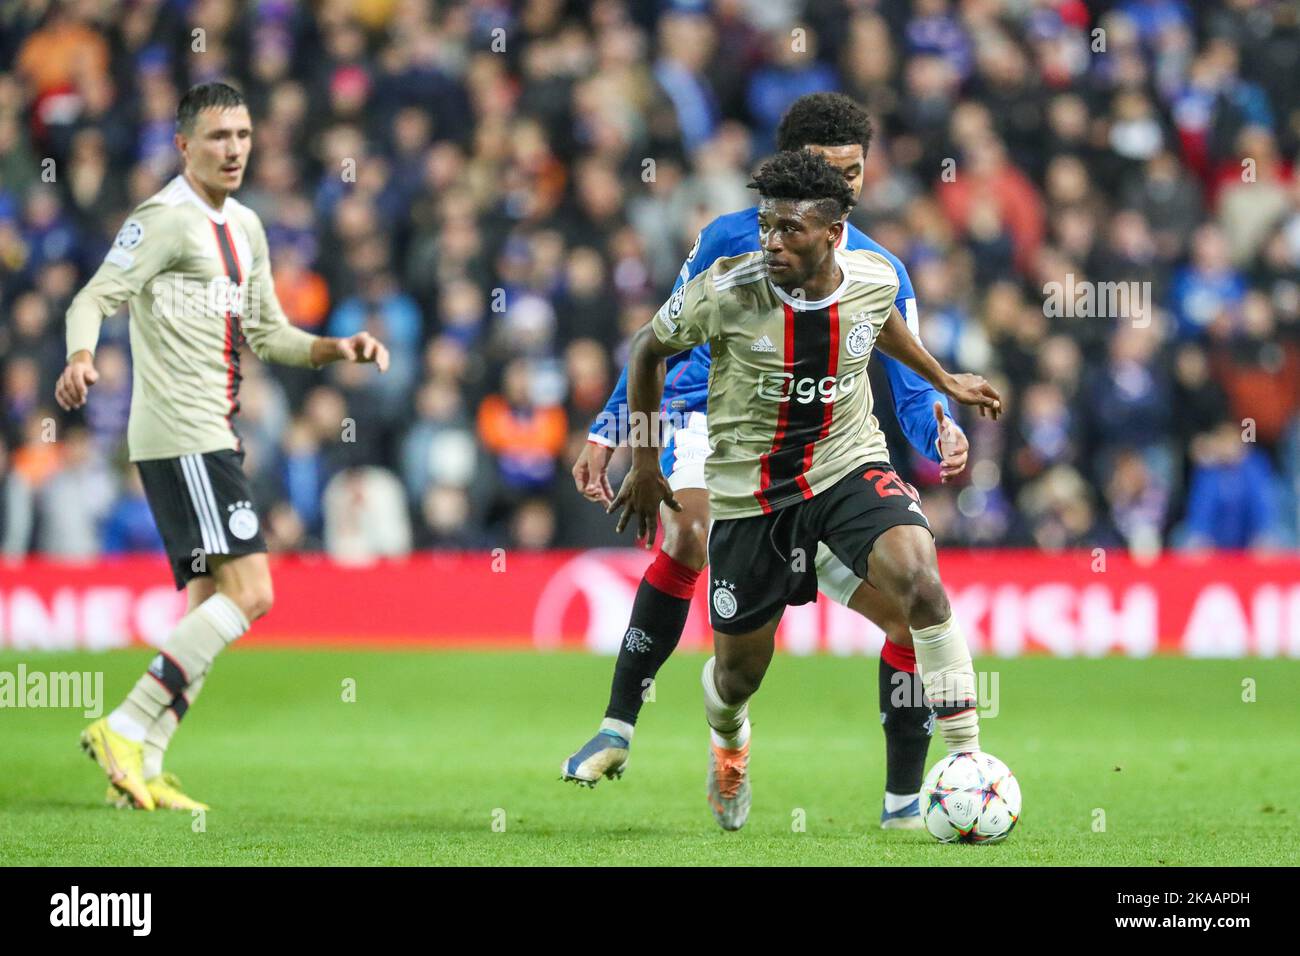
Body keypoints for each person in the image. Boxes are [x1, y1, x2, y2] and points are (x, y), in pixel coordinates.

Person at [563, 94, 968, 829]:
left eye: (858, 171)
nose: (852, 185)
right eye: (836, 170)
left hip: (824, 454)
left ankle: (906, 803)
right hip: (714, 423)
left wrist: (939, 416)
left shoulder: (876, 268)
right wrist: (616, 428)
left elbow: (902, 360)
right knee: (687, 535)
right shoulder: (731, 240)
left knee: (911, 610)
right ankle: (620, 725)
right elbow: (658, 342)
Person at [55, 81, 389, 811]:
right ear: (184, 146)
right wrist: (82, 356)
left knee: (209, 600)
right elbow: (92, 297)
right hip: (181, 433)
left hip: (214, 433)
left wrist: (340, 347)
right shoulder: (164, 220)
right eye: (217, 137)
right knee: (255, 592)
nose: (233, 148)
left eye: (241, 135)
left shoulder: (246, 227)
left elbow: (269, 334)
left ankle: (139, 766)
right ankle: (123, 725)